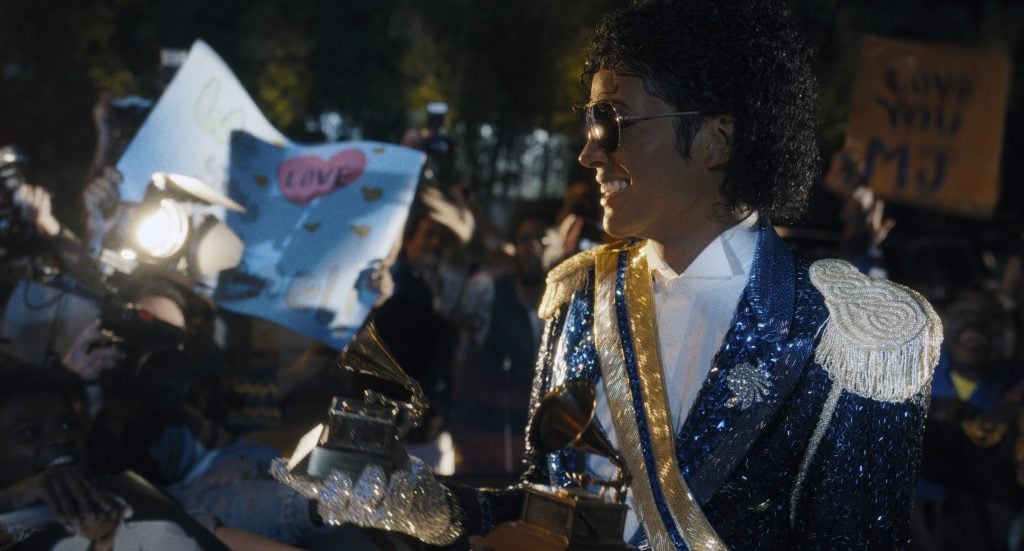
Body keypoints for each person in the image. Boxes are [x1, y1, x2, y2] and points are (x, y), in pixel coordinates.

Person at [278, 1, 942, 549]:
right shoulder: (578, 296)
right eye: (591, 121)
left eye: (613, 120)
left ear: (716, 139)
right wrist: (419, 503)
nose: (588, 150)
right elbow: (545, 511)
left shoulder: (852, 337)